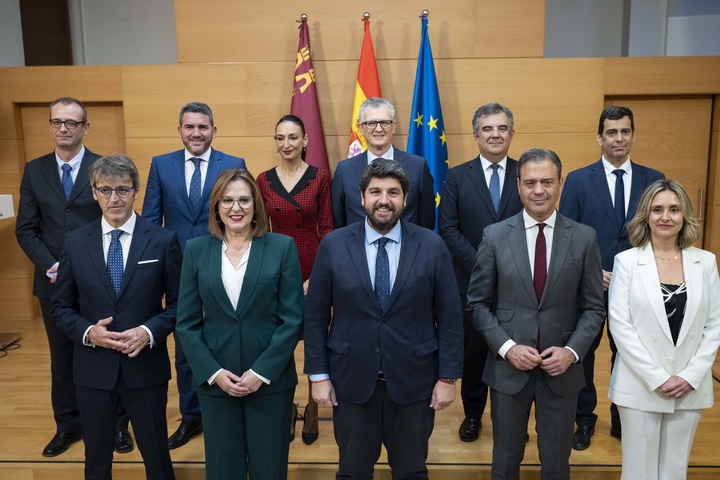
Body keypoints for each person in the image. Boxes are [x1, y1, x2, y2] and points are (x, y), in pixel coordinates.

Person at [304, 159, 463, 479]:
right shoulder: (333, 245)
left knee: (412, 471)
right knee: (351, 471)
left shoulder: (432, 246)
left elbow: (449, 317)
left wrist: (448, 378)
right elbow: (316, 315)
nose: (384, 200)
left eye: (393, 192)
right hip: (351, 383)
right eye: (375, 191)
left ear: (406, 199)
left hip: (414, 384)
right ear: (361, 197)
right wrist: (318, 375)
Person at [467, 148, 605, 480]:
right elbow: (477, 304)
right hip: (508, 372)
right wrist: (507, 347)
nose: (538, 190)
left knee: (557, 464)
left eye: (546, 181)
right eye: (530, 182)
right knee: (504, 461)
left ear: (560, 183)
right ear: (518, 185)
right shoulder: (495, 236)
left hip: (562, 373)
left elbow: (593, 307)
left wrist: (571, 352)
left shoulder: (584, 238)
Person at [15, 97, 133, 457]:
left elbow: (117, 218)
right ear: (51, 126)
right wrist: (53, 265)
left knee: (109, 353)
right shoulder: (34, 170)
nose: (63, 128)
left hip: (99, 280)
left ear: (85, 127)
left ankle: (117, 426)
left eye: (71, 122)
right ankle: (68, 426)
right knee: (62, 359)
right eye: (56, 122)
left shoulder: (104, 167)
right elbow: (26, 229)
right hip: (52, 282)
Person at [50, 154, 180, 480]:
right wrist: (87, 332)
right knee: (96, 461)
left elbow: (181, 306)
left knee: (157, 459)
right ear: (94, 193)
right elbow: (60, 308)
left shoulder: (164, 241)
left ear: (136, 190)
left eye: (122, 189)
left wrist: (149, 332)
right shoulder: (75, 242)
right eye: (105, 190)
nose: (114, 198)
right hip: (93, 369)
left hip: (145, 368)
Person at [175, 168, 304, 480]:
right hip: (217, 380)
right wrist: (214, 373)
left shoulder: (281, 247)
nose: (236, 208)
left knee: (269, 469)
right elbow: (186, 324)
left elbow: (293, 319)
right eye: (228, 200)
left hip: (270, 381)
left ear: (256, 204)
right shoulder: (196, 250)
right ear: (217, 206)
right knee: (223, 469)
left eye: (244, 200)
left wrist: (261, 373)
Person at [142, 101, 246, 449]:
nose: (196, 133)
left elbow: (243, 215)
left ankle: (228, 408)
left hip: (223, 266)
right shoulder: (161, 165)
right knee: (186, 345)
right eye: (189, 127)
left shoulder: (233, 165)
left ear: (214, 130)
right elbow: (151, 222)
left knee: (226, 337)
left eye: (203, 127)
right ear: (180, 130)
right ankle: (191, 417)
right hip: (177, 272)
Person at [559, 105, 665, 449]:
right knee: (584, 355)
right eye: (611, 132)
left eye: (625, 131)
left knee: (631, 354)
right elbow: (567, 234)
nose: (618, 138)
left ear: (633, 134)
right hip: (590, 286)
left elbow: (660, 233)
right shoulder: (577, 179)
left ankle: (624, 419)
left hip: (638, 287)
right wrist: (592, 272)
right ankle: (584, 421)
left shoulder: (654, 179)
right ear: (599, 137)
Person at [608, 179, 720, 480]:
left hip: (689, 386)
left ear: (685, 216)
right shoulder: (627, 262)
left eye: (674, 209)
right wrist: (657, 377)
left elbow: (714, 325)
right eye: (657, 209)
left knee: (674, 471)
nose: (665, 217)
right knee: (638, 472)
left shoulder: (706, 262)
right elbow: (621, 325)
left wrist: (690, 376)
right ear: (646, 215)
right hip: (640, 383)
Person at [439, 103, 524, 442]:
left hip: (519, 284)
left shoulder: (525, 173)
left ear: (511, 134)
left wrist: (507, 267)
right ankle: (473, 416)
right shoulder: (458, 176)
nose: (495, 135)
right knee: (473, 356)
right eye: (487, 129)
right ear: (476, 136)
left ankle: (513, 421)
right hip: (470, 285)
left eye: (501, 128)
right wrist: (484, 265)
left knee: (514, 354)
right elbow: (448, 228)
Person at [256, 114, 333, 444]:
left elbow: (328, 228)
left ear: (305, 141)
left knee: (313, 337)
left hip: (312, 265)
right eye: (280, 138)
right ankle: (286, 405)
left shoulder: (319, 178)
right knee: (280, 342)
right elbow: (259, 228)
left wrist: (317, 275)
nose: (286, 144)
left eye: (292, 137)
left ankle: (314, 407)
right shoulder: (263, 180)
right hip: (276, 266)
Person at [331, 97, 435, 229]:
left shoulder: (418, 167)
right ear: (361, 128)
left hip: (407, 247)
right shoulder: (344, 170)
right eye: (371, 123)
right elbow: (338, 222)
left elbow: (427, 222)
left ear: (394, 126)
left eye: (385, 122)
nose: (378, 129)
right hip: (356, 248)